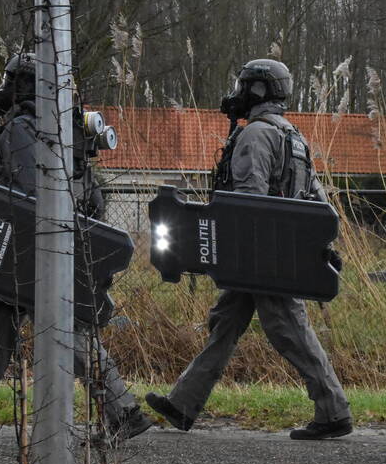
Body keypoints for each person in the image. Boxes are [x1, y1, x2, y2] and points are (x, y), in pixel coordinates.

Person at [145, 58, 352, 440]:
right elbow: (316, 198)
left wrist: (234, 248)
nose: (237, 93)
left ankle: (333, 410)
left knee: (289, 329)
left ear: (257, 90)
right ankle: (183, 404)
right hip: (272, 248)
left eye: (243, 86)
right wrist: (320, 245)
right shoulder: (293, 135)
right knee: (225, 322)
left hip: (259, 252)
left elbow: (247, 200)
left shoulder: (256, 134)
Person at [0, 52, 152, 442]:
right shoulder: (62, 129)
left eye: (11, 82)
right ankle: (123, 412)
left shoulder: (24, 129)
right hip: (55, 245)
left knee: (38, 332)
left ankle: (124, 412)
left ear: (24, 86)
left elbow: (23, 195)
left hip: (27, 250)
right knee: (19, 331)